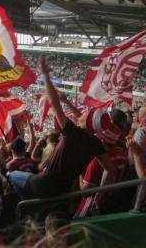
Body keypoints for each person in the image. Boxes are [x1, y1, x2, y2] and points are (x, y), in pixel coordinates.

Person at [8, 56, 117, 199]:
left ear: (87, 123)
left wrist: (45, 74)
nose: (82, 114)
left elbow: (54, 102)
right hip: (64, 189)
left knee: (11, 174)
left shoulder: (72, 132)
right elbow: (110, 170)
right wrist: (101, 194)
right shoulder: (96, 143)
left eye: (85, 116)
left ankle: (25, 203)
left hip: (43, 184)